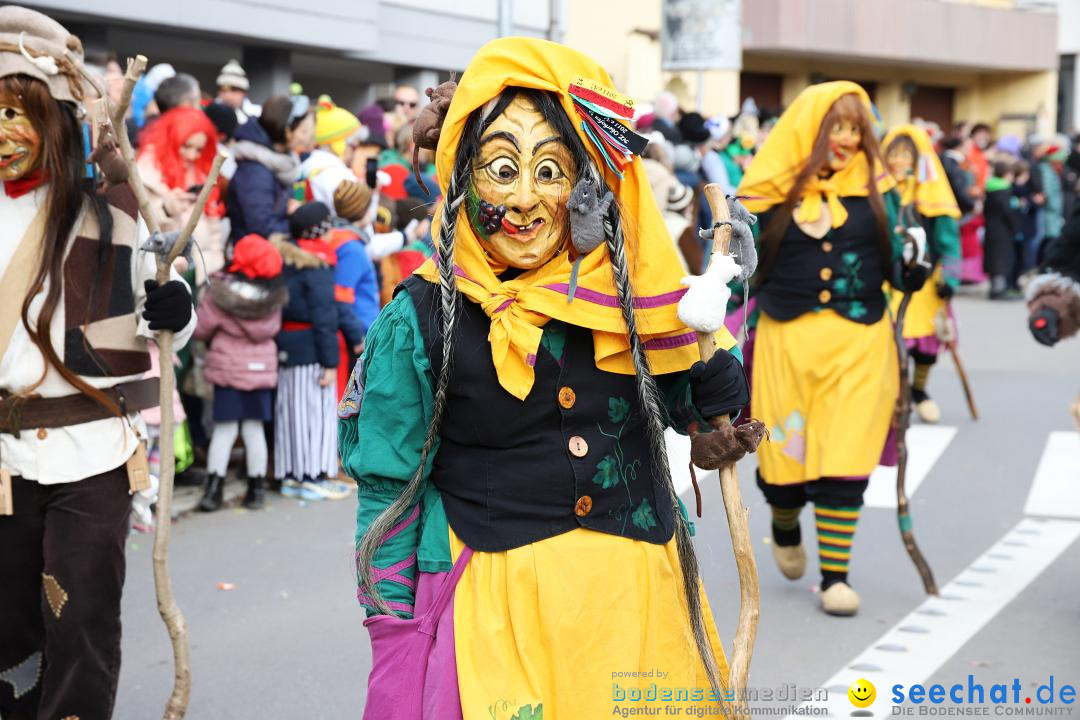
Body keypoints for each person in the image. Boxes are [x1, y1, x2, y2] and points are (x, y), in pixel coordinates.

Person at [342, 37, 752, 717]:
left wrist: (711, 384)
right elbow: (388, 491)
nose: (526, 199)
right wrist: (394, 630)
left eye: (552, 171)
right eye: (502, 168)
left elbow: (682, 399)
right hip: (496, 616)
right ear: (463, 177)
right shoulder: (419, 316)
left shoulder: (637, 297)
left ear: (588, 185)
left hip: (637, 604)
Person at [0, 8, 195, 718]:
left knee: (80, 621)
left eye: (19, 112)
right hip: (2, 459)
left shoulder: (111, 210)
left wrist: (175, 307)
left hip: (91, 454)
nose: (4, 131)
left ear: (53, 117)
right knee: (10, 635)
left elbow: (168, 315)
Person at [737, 82, 926, 617]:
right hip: (785, 345)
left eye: (853, 129)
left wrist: (914, 269)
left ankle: (836, 576)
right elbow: (739, 273)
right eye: (834, 128)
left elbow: (897, 265)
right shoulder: (768, 191)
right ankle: (784, 517)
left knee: (845, 455)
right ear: (809, 132)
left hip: (860, 344)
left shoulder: (880, 190)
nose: (844, 139)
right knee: (784, 459)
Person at [194, 233, 287, 511]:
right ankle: (256, 491)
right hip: (261, 371)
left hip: (228, 369)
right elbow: (272, 330)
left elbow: (200, 328)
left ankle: (214, 490)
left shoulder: (220, 291)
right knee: (254, 428)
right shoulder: (272, 296)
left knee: (224, 429)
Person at [882, 125, 962, 424]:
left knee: (926, 346)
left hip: (927, 281)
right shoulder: (879, 191)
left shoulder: (932, 195)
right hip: (889, 279)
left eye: (906, 154)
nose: (900, 160)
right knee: (891, 343)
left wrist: (950, 279)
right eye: (894, 153)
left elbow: (949, 240)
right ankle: (897, 395)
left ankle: (919, 390)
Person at [273, 203, 347, 501]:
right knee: (314, 415)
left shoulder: (284, 260)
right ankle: (312, 474)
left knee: (291, 414)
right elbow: (325, 315)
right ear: (319, 231)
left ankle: (292, 475)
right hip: (312, 349)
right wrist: (331, 361)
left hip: (286, 346)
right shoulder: (315, 265)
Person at [136, 106, 226, 279]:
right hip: (162, 273)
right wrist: (166, 209)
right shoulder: (148, 172)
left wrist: (214, 264)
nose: (192, 155)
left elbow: (214, 228)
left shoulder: (201, 170)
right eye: (186, 146)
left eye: (199, 149)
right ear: (171, 140)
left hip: (202, 272)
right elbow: (138, 223)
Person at [226, 94, 302, 243]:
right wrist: (300, 222)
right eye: (303, 131)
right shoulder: (254, 172)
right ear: (287, 131)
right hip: (257, 255)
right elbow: (261, 227)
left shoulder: (279, 161)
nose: (306, 138)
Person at [984, 159, 1020, 299]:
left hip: (991, 227)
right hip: (1002, 230)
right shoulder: (1004, 190)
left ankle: (995, 287)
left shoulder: (990, 188)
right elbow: (1008, 212)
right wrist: (1015, 227)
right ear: (1006, 174)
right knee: (1000, 259)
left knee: (994, 257)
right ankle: (999, 289)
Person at [216, 58, 260, 123]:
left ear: (244, 92)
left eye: (234, 90)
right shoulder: (208, 113)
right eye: (223, 90)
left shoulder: (257, 114)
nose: (228, 95)